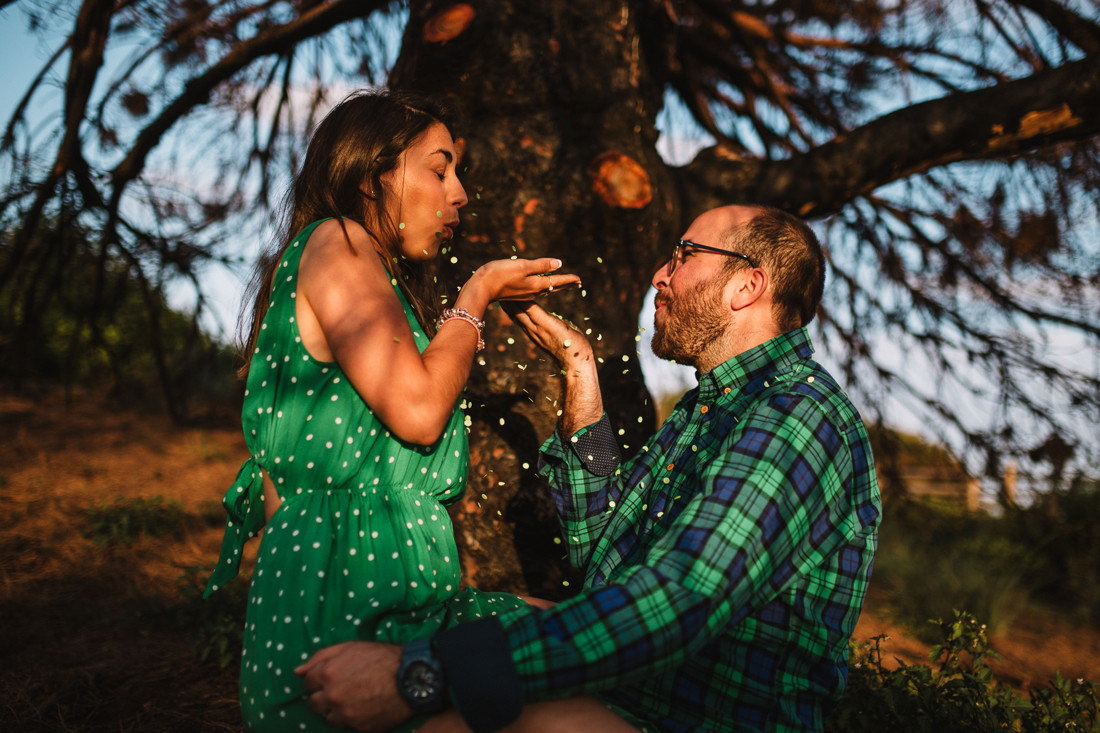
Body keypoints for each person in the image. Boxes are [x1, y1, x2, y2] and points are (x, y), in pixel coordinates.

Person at [296, 204, 882, 733]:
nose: (659, 275)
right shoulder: (707, 409)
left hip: (685, 719)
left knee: (447, 713)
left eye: (683, 255)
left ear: (747, 285)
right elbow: (604, 555)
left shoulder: (797, 419)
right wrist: (579, 368)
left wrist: (422, 675)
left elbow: (677, 603)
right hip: (630, 702)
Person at [203, 89, 584, 732]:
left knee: (584, 635)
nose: (459, 193)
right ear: (370, 176)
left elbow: (283, 493)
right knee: (584, 691)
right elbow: (419, 409)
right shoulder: (338, 239)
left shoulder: (354, 271)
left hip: (374, 613)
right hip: (347, 630)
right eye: (439, 170)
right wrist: (478, 294)